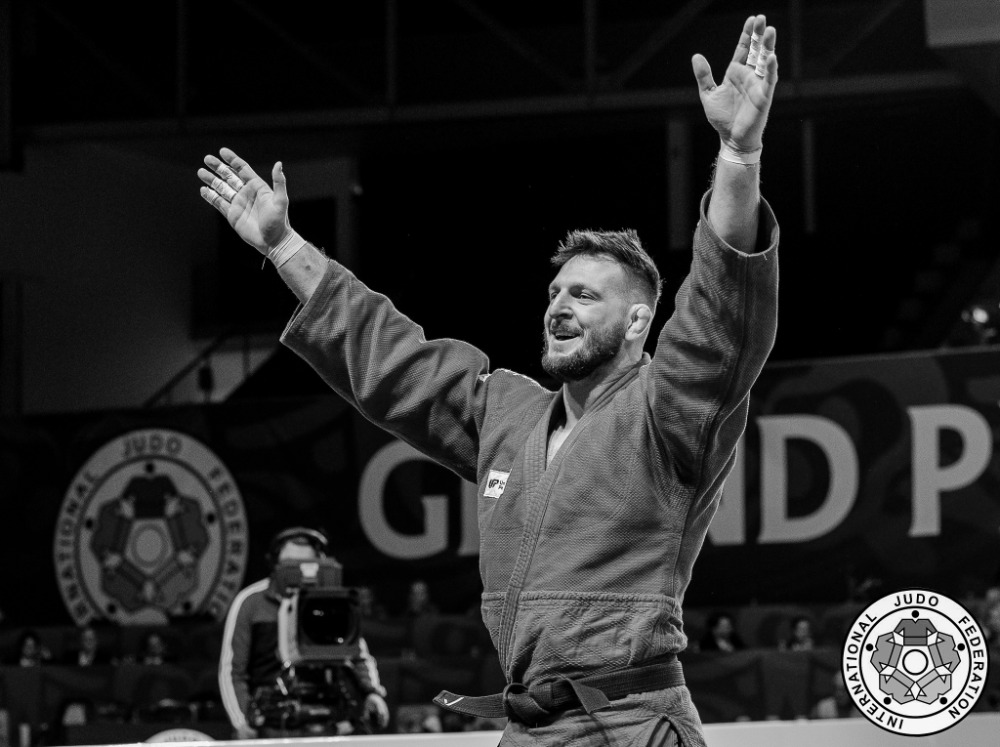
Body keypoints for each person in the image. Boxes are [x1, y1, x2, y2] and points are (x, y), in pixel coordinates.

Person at [199, 13, 779, 745]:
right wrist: (284, 245)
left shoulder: (667, 411)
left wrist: (737, 152)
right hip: (531, 726)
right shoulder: (508, 411)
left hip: (630, 721)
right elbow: (391, 357)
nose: (559, 306)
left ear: (638, 323)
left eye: (585, 296)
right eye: (554, 293)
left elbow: (719, 314)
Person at [218, 527, 390, 738]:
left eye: (305, 562)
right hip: (270, 724)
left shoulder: (333, 601)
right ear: (274, 564)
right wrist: (242, 720)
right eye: (290, 563)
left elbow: (358, 654)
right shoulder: (250, 602)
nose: (298, 570)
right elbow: (232, 670)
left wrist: (373, 693)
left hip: (328, 718)